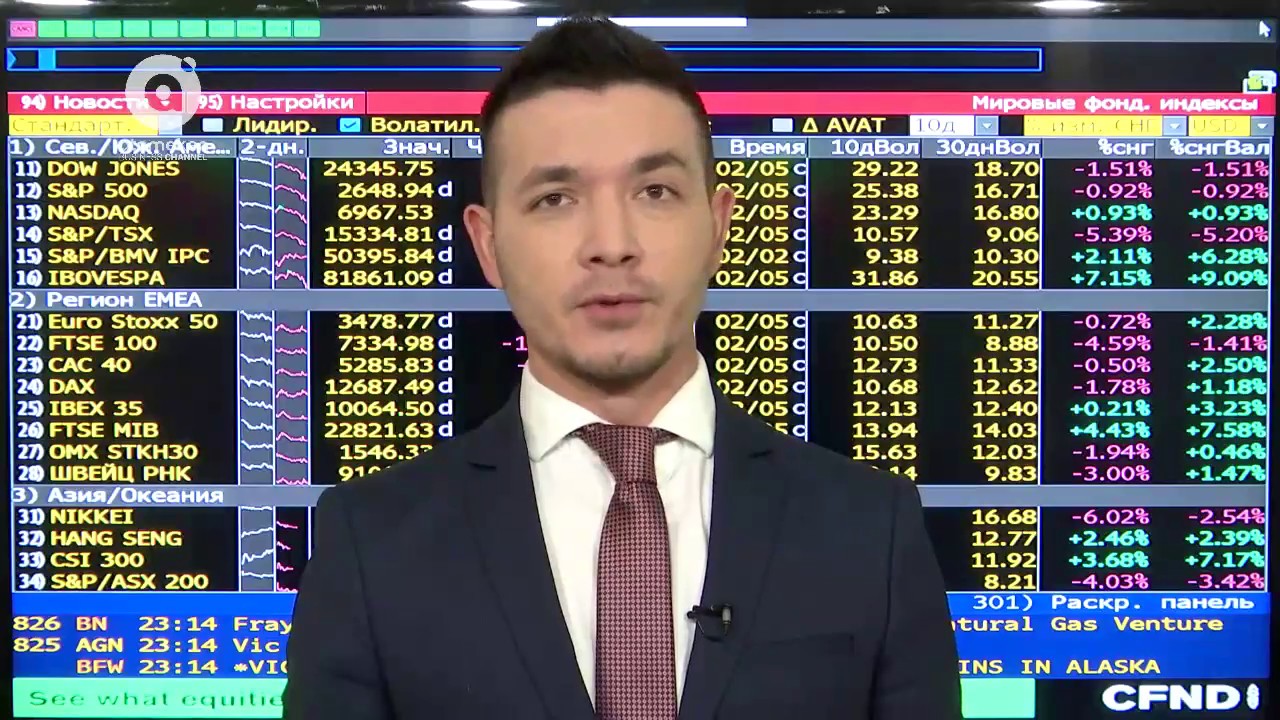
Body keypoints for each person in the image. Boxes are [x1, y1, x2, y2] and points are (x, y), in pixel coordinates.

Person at [283, 14, 961, 720]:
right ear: (488, 246)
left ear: (718, 226)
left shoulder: (873, 531)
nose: (611, 244)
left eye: (655, 192)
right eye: (555, 199)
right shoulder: (370, 548)